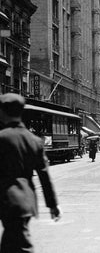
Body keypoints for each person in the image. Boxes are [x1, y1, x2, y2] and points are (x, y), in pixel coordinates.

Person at [0, 93, 61, 252]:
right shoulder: (34, 140)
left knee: (19, 245)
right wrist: (53, 205)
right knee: (9, 245)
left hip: (8, 201)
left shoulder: (2, 138)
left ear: (3, 112)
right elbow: (44, 176)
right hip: (27, 201)